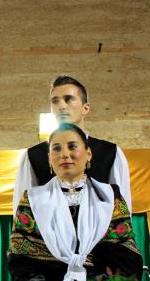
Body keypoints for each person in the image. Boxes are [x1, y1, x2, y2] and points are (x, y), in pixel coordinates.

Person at [8, 124, 142, 281]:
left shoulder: (110, 197)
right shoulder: (31, 200)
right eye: (56, 148)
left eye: (72, 146)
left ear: (88, 154)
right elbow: (20, 260)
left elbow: (126, 257)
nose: (64, 154)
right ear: (49, 158)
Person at [13, 75, 131, 214]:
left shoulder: (111, 152)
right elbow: (22, 212)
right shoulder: (32, 156)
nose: (62, 106)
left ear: (85, 108)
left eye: (68, 99)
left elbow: (122, 209)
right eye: (55, 101)